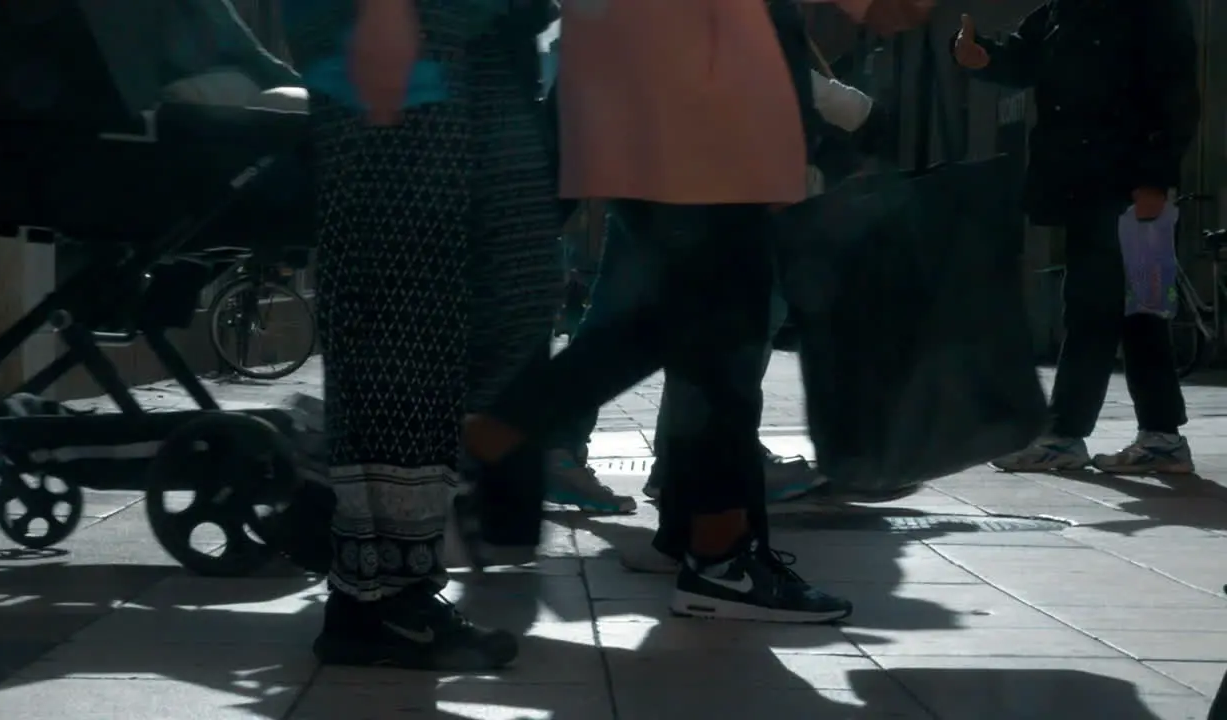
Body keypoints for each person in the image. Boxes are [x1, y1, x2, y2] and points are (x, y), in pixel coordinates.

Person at [463, 0, 933, 625]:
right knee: (720, 334)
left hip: (644, 84)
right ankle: (716, 557)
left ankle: (683, 529)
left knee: (684, 325)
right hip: (706, 98)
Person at [284, 0, 561, 670]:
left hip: (489, 28)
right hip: (401, 23)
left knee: (517, 287)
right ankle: (377, 598)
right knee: (403, 309)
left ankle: (337, 481)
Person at [953, 2, 1201, 474]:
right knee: (1139, 312)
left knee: (1094, 306)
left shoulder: (1153, 10)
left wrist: (1154, 180)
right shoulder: (1062, 9)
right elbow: (1022, 57)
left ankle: (1065, 434)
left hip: (1125, 183)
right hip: (1084, 183)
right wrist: (980, 55)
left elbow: (1177, 94)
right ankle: (1162, 437)